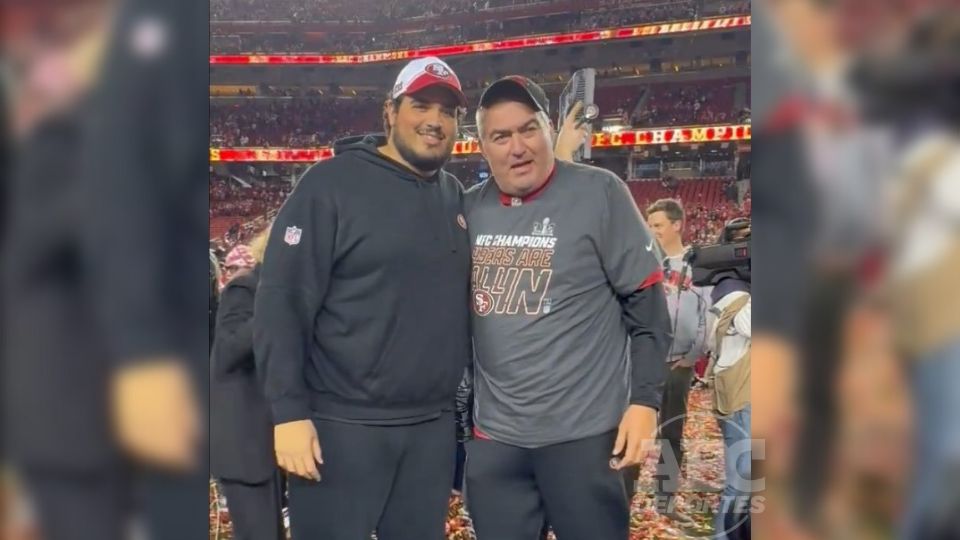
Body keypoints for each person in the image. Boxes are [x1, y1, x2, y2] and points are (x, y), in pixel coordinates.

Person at [253, 56, 472, 540]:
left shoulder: (454, 194)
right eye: (420, 105)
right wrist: (288, 413)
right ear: (390, 112)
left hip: (429, 430)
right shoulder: (329, 184)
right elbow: (280, 302)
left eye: (448, 111)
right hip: (341, 427)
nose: (435, 121)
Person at [463, 75, 672, 540]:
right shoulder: (466, 208)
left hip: (584, 438)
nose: (517, 147)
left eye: (528, 129)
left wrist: (645, 402)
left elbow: (649, 313)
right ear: (482, 147)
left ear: (548, 128)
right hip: (496, 441)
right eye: (501, 136)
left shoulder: (600, 192)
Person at [210, 229, 285, 540]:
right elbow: (228, 351)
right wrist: (278, 307)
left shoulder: (282, 290)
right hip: (245, 442)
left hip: (269, 443)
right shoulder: (246, 287)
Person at [642, 198, 710, 525]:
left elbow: (706, 317)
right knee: (627, 431)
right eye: (650, 225)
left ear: (677, 225)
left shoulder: (698, 265)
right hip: (644, 361)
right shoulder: (642, 260)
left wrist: (692, 356)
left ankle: (665, 500)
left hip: (679, 365)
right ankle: (618, 496)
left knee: (671, 435)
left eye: (658, 225)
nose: (653, 231)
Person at [703, 224, 752, 540]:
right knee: (743, 479)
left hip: (747, 393)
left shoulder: (736, 285)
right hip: (743, 397)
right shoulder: (731, 288)